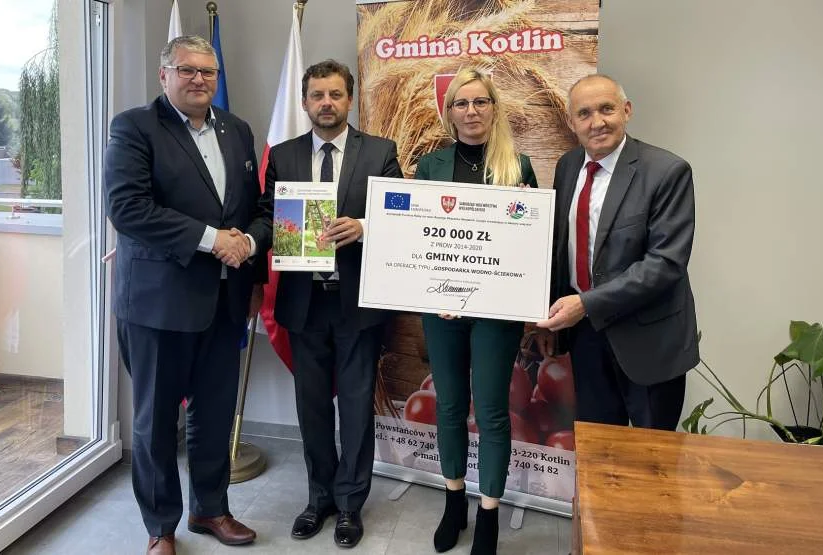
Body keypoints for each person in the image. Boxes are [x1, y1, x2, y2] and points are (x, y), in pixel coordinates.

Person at [103, 35, 271, 555]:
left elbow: (255, 208)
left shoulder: (236, 130)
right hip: (159, 304)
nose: (199, 79)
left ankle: (210, 508)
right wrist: (211, 239)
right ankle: (161, 528)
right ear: (164, 75)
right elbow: (127, 209)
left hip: (225, 300)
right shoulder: (134, 127)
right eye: (187, 70)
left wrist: (249, 246)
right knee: (155, 422)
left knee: (215, 414)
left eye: (208, 71)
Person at [264, 59, 403, 549]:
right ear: (305, 102)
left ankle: (349, 505)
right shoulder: (282, 156)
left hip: (356, 302)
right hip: (304, 304)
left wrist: (364, 227)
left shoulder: (381, 151)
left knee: (357, 408)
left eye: (336, 94)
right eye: (318, 95)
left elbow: (401, 213)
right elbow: (266, 216)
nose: (327, 103)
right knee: (313, 408)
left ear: (350, 99)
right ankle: (318, 498)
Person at [414, 67, 538, 555]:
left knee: (490, 411)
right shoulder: (430, 166)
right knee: (448, 406)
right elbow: (420, 237)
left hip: (496, 312)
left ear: (494, 108)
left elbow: (529, 245)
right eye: (461, 103)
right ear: (450, 113)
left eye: (480, 102)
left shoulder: (518, 167)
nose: (471, 111)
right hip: (441, 307)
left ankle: (488, 513)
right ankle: (453, 502)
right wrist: (433, 287)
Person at [536, 73, 699, 432]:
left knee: (651, 455)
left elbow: (665, 264)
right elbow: (561, 248)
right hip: (585, 336)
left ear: (626, 110)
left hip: (648, 340)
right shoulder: (567, 166)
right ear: (571, 122)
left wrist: (586, 303)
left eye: (606, 109)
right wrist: (547, 315)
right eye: (584, 113)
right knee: (598, 447)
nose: (597, 122)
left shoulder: (666, 171)